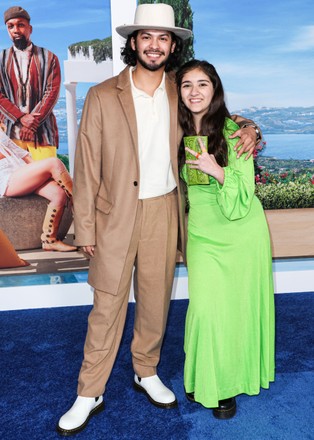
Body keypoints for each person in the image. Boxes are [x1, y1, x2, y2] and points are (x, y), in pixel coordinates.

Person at [56, 4, 260, 436]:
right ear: (133, 43)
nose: (154, 45)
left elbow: (221, 114)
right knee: (106, 304)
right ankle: (89, 390)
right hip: (115, 216)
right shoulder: (101, 94)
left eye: (163, 38)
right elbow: (87, 164)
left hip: (164, 209)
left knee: (155, 300)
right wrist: (86, 228)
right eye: (146, 36)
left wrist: (252, 128)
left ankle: (145, 370)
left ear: (172, 46)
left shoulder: (178, 90)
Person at [176, 60, 275, 419]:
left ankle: (225, 387)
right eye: (187, 85)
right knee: (205, 308)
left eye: (203, 84)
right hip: (202, 232)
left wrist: (218, 171)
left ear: (215, 89)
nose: (195, 92)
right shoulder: (177, 128)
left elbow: (242, 196)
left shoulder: (235, 131)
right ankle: (204, 374)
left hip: (241, 230)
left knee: (235, 310)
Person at [0, 6, 61, 160]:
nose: (16, 30)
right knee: (13, 181)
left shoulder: (49, 58)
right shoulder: (1, 60)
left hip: (43, 133)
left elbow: (52, 93)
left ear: (30, 28)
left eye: (20, 25)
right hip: (9, 133)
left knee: (51, 179)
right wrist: (20, 118)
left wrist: (33, 122)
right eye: (11, 26)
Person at [0, 129, 76, 252]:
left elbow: (21, 153)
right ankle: (83, 210)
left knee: (59, 194)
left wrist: (42, 172)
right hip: (6, 180)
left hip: (22, 172)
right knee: (54, 162)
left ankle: (49, 240)